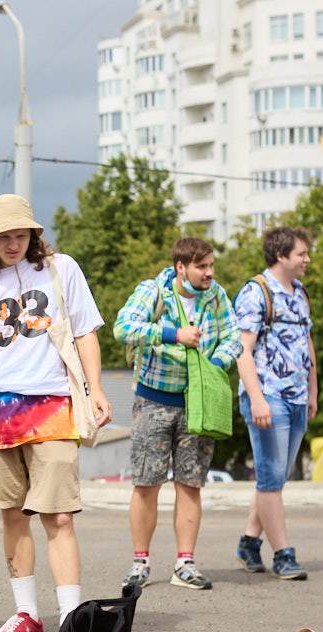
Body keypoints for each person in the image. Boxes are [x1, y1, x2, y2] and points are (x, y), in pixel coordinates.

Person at [0, 194, 111, 632]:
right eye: (4, 236)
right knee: (12, 514)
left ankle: (72, 616)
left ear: (33, 235)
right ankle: (27, 614)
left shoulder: (62, 268)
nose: (13, 243)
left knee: (58, 516)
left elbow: (84, 332)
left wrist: (96, 389)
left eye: (21, 234)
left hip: (52, 408)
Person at [113, 237, 241, 590]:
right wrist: (174, 335)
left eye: (211, 266)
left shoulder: (216, 296)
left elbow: (234, 337)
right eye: (202, 267)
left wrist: (214, 365)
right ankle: (140, 563)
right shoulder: (154, 290)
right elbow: (123, 327)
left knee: (191, 484)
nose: (209, 273)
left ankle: (185, 564)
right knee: (146, 484)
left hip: (196, 403)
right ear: (180, 268)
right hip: (152, 401)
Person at [232, 226, 316, 580]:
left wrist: (313, 391)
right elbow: (242, 350)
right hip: (269, 397)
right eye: (302, 253)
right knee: (270, 479)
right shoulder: (255, 293)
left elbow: (306, 343)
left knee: (276, 477)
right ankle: (283, 554)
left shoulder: (300, 292)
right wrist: (257, 400)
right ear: (281, 256)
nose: (307, 259)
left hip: (297, 396)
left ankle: (249, 542)